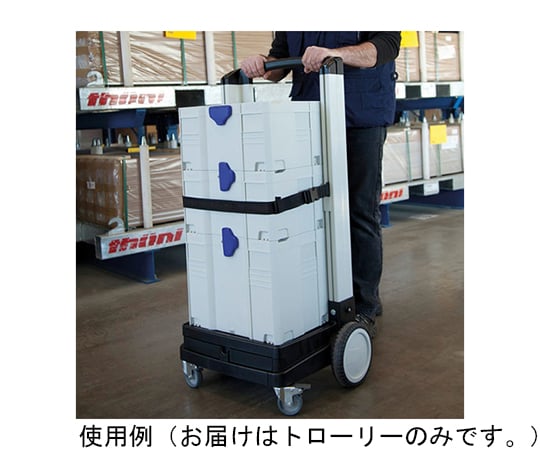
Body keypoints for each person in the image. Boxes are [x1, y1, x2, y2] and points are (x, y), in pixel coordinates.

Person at [241, 32, 401, 337]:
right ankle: (324, 297)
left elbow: (385, 47)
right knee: (311, 210)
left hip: (360, 116)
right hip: (310, 116)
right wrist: (262, 64)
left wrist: (335, 53)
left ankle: (364, 305)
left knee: (358, 211)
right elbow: (279, 63)